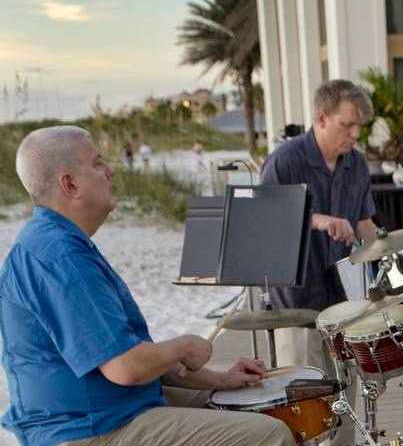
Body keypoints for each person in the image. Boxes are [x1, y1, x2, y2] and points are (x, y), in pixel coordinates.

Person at [0, 125, 294, 446]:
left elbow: (129, 359)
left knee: (250, 409)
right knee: (270, 434)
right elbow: (127, 368)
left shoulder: (57, 242)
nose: (110, 170)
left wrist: (221, 379)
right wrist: (182, 345)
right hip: (89, 428)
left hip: (115, 408)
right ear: (69, 184)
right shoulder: (60, 255)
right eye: (98, 163)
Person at [259, 79, 381, 446]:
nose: (355, 134)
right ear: (321, 117)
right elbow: (263, 219)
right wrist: (318, 219)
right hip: (295, 301)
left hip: (344, 299)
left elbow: (364, 224)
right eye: (348, 125)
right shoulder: (285, 161)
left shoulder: (356, 163)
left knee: (345, 397)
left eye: (360, 126)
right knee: (301, 405)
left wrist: (395, 248)